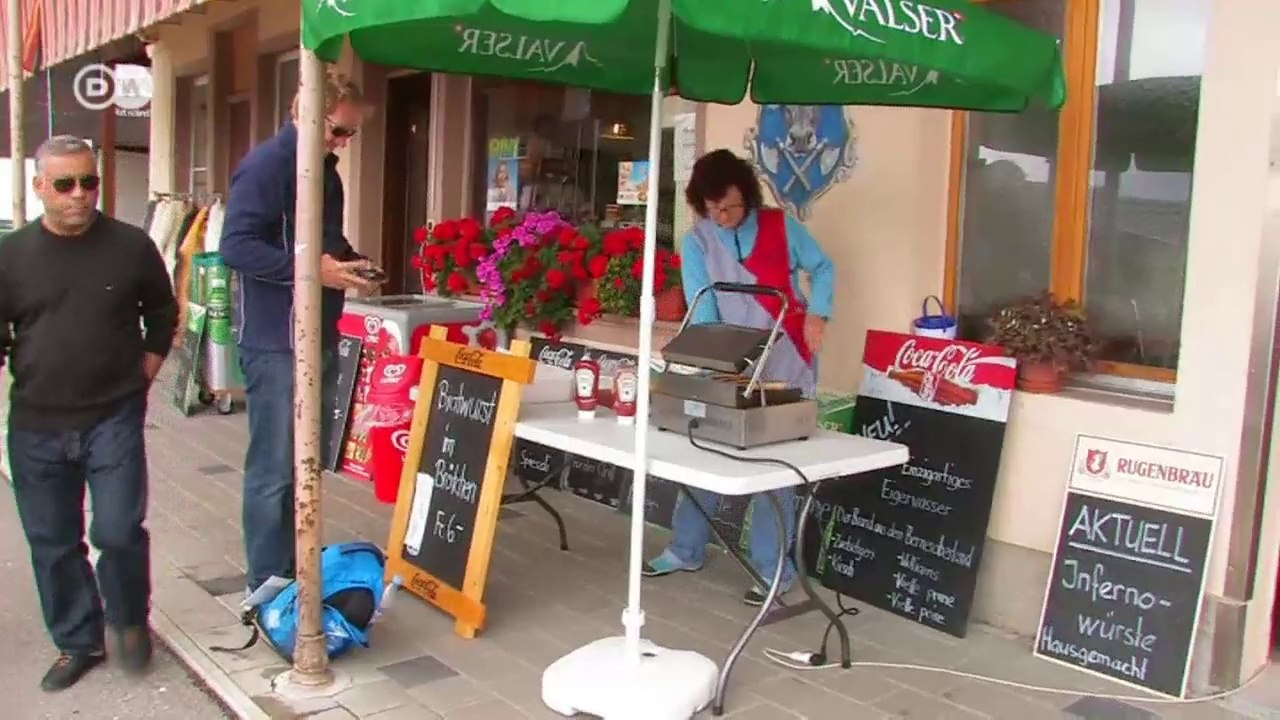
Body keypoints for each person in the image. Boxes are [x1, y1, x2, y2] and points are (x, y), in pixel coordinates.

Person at [0, 135, 178, 690]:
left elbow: (162, 313)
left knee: (119, 529)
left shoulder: (130, 247)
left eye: (89, 182)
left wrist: (143, 377)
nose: (80, 195)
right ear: (38, 188)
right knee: (53, 541)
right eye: (64, 184)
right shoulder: (10, 256)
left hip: (113, 417)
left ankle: (128, 620)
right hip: (35, 423)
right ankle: (78, 640)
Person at [643, 149, 835, 606]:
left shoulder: (781, 226)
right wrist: (715, 359)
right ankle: (685, 548)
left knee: (776, 467)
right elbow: (702, 302)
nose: (722, 216)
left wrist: (819, 314)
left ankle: (775, 571)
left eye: (729, 206)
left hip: (787, 353)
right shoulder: (698, 241)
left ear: (746, 195)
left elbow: (823, 267)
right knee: (705, 449)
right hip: (731, 356)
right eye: (712, 209)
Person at [220, 67, 380, 595]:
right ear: (302, 114)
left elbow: (323, 243)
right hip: (276, 338)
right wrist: (317, 270)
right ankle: (265, 584)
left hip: (318, 330)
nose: (344, 142)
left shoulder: (325, 170)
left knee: (303, 462)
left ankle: (289, 571)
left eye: (351, 133)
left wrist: (352, 265)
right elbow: (236, 247)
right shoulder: (267, 165)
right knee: (274, 468)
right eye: (337, 130)